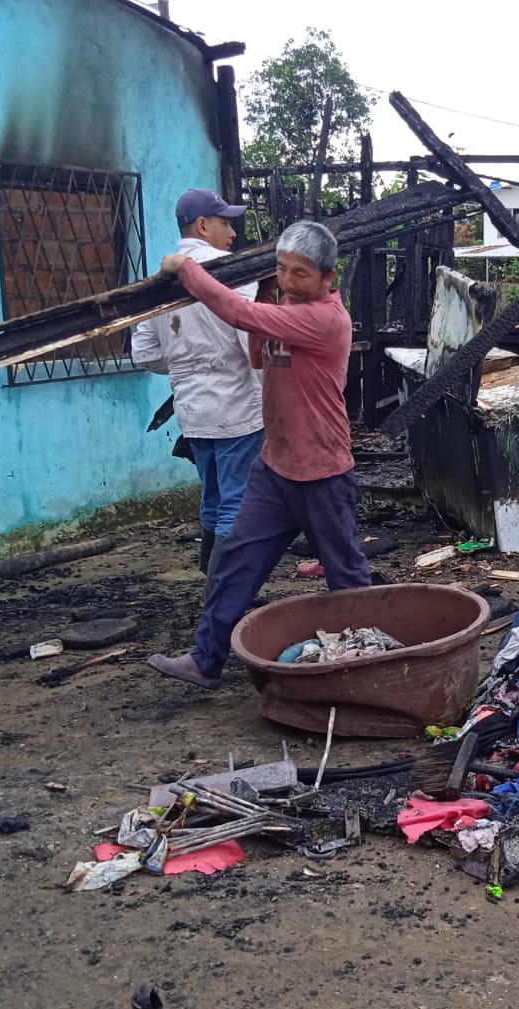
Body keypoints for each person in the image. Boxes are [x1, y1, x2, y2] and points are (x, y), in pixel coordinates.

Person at [148, 220, 369, 689]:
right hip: (275, 467)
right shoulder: (286, 305)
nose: (288, 282)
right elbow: (257, 355)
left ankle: (367, 670)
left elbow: (239, 315)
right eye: (282, 270)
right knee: (235, 564)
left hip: (323, 472)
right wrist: (268, 302)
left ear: (329, 278)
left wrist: (187, 267)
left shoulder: (328, 319)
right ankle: (205, 659)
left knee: (347, 578)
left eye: (301, 274)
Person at [132, 188, 265, 574]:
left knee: (214, 495)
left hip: (192, 410)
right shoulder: (233, 273)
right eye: (226, 223)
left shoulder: (159, 282)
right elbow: (251, 345)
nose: (233, 233)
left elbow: (144, 353)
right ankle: (221, 594)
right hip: (237, 407)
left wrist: (185, 363)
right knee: (236, 502)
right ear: (203, 226)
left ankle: (209, 575)